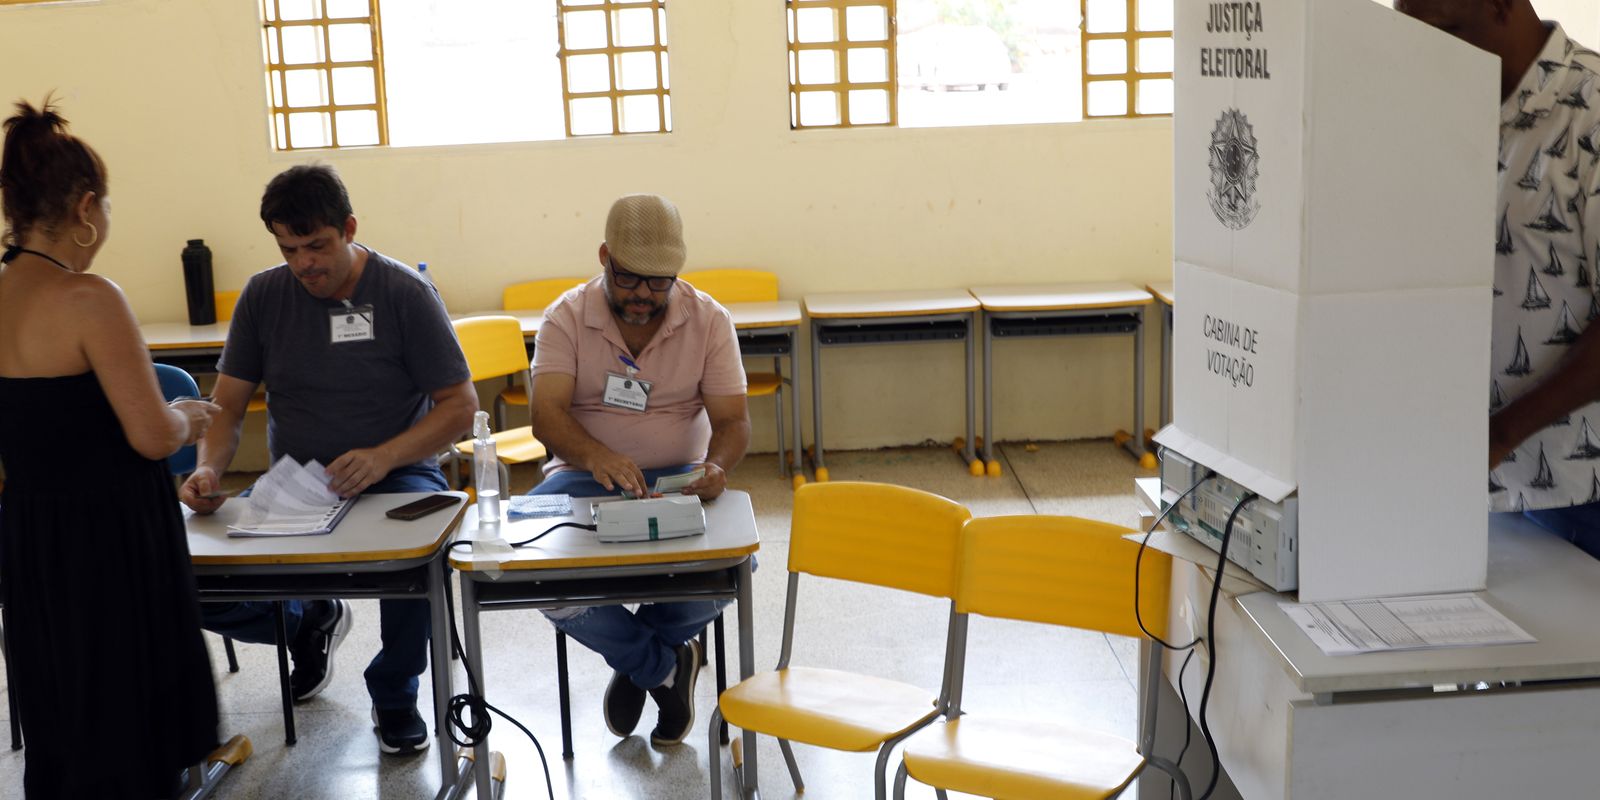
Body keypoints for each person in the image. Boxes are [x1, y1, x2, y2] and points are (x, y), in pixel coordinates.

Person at [178, 164, 476, 754]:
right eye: (289, 249)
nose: (304, 263)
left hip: (399, 471)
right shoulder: (265, 295)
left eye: (317, 246)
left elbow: (460, 406)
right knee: (188, 574)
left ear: (349, 229)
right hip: (298, 482)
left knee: (414, 568)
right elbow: (228, 408)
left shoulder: (403, 294)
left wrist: (383, 455)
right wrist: (210, 468)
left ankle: (394, 694)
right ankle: (304, 624)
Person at [0, 98, 221, 798]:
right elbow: (151, 434)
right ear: (86, 208)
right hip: (110, 538)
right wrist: (188, 415)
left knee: (64, 711)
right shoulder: (89, 296)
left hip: (32, 533)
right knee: (126, 718)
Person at [527, 193, 750, 746]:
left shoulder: (708, 319)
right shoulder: (566, 316)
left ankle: (636, 664)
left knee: (728, 574)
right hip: (581, 478)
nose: (642, 297)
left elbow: (734, 422)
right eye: (628, 280)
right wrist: (595, 455)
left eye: (658, 283)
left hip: (681, 481)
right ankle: (665, 668)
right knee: (541, 579)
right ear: (604, 257)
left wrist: (716, 467)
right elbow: (544, 417)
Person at [1397, 1, 1600, 551]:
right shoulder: (1448, 110)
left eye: (1445, 33)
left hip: (1576, 494)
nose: (1426, 55)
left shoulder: (1590, 113)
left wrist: (1500, 434)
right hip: (1466, 485)